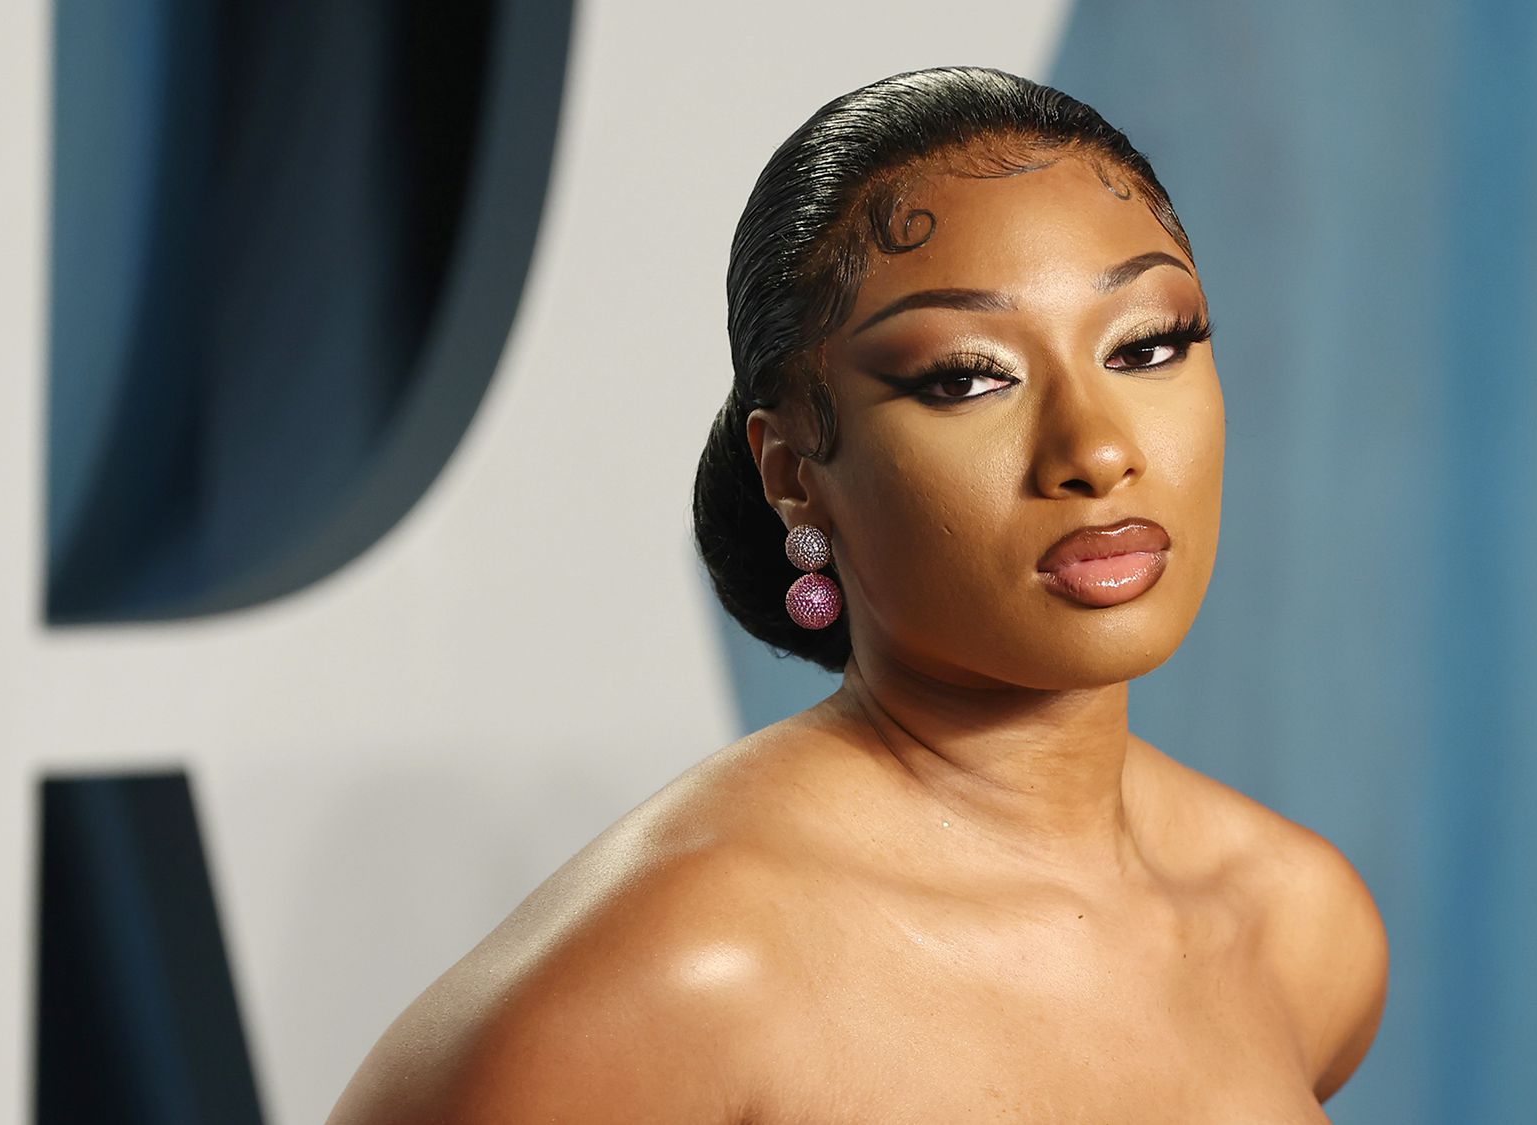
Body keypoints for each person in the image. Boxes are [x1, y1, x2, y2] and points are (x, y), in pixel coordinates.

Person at [328, 65, 1387, 1124]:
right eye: (964, 378)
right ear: (791, 471)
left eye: (1146, 346)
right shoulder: (676, 984)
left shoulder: (1298, 928)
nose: (1097, 450)